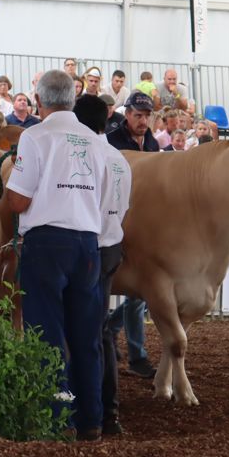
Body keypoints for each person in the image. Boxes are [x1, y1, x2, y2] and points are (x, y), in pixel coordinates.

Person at [6, 69, 109, 441]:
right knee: (86, 336)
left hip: (46, 243)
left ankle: (56, 419)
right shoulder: (98, 141)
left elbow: (18, 199)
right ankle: (91, 421)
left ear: (38, 101)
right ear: (72, 98)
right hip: (87, 243)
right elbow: (103, 197)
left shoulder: (34, 136)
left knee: (45, 332)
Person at [72, 94, 132, 436]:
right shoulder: (120, 159)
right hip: (112, 245)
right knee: (100, 330)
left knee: (81, 330)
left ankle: (84, 410)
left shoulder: (84, 155)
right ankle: (108, 413)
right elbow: (124, 206)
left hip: (87, 246)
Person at [104, 91, 158, 379]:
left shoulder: (151, 142)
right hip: (117, 219)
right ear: (127, 114)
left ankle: (114, 330)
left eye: (147, 115)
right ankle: (137, 356)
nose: (143, 120)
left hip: (143, 220)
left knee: (140, 292)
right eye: (138, 115)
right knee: (136, 291)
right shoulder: (113, 139)